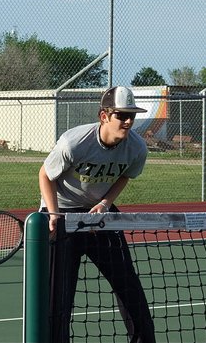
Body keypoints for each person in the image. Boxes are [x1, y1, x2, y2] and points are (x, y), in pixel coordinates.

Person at [39, 86, 155, 343]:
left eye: (131, 116)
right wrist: (54, 214)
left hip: (99, 216)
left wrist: (105, 203)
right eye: (121, 115)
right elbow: (45, 175)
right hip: (63, 213)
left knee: (127, 283)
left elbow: (125, 175)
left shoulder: (136, 148)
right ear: (104, 116)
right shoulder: (75, 142)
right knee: (59, 293)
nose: (127, 121)